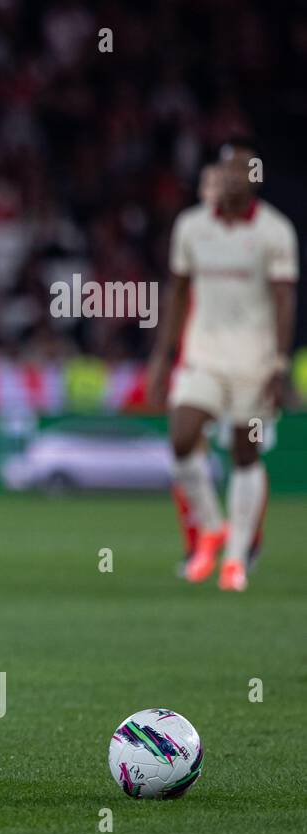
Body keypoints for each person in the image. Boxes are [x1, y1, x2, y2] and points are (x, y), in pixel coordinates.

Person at [146, 136, 298, 592]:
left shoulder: (275, 231)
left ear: (256, 181)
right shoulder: (192, 227)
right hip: (202, 357)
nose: (233, 178)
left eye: (243, 172)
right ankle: (213, 527)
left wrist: (279, 364)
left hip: (254, 361)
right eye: (227, 170)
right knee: (181, 435)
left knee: (244, 451)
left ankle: (235, 560)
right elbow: (175, 291)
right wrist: (161, 356)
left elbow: (285, 299)